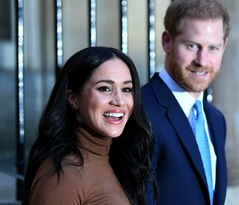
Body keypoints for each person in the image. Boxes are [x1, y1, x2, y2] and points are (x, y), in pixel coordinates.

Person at [23, 46, 157, 205]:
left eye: (127, 89)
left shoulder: (114, 159)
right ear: (73, 99)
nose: (119, 101)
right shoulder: (65, 175)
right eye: (105, 88)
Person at [142, 0, 230, 205]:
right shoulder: (141, 110)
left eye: (213, 48)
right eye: (192, 46)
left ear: (224, 46)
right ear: (167, 41)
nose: (202, 60)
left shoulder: (216, 120)